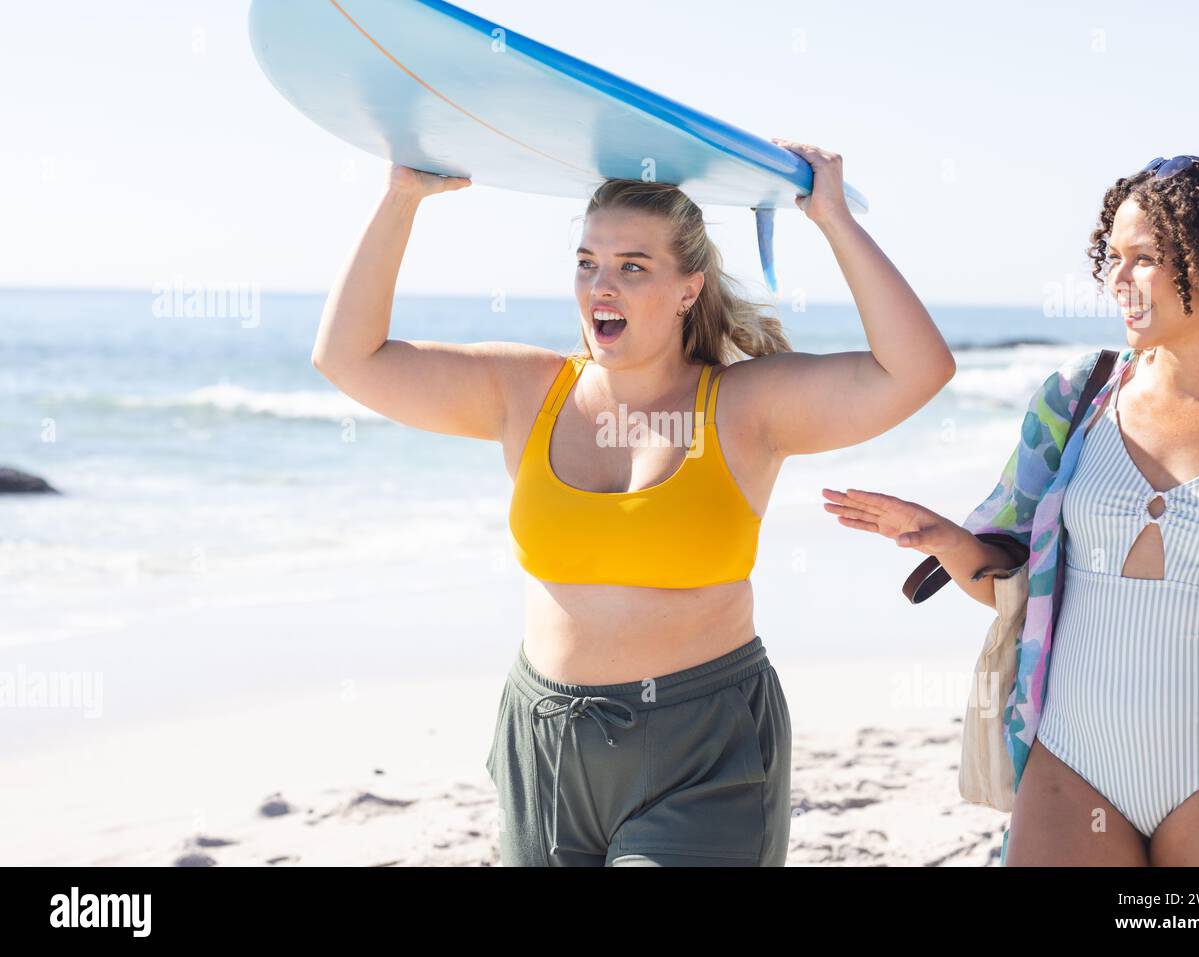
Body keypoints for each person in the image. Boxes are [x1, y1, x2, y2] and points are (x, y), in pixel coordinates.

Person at [311, 139, 956, 865]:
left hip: (700, 747)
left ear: (689, 288)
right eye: (587, 263)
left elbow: (917, 369)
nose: (600, 288)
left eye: (632, 267)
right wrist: (401, 198)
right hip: (545, 740)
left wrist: (831, 218)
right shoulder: (525, 390)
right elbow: (348, 357)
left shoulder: (746, 406)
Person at [824, 156, 1199, 866]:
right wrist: (947, 539)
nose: (1117, 279)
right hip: (1074, 763)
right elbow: (1013, 591)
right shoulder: (1079, 398)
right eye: (1112, 257)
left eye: (1144, 259)